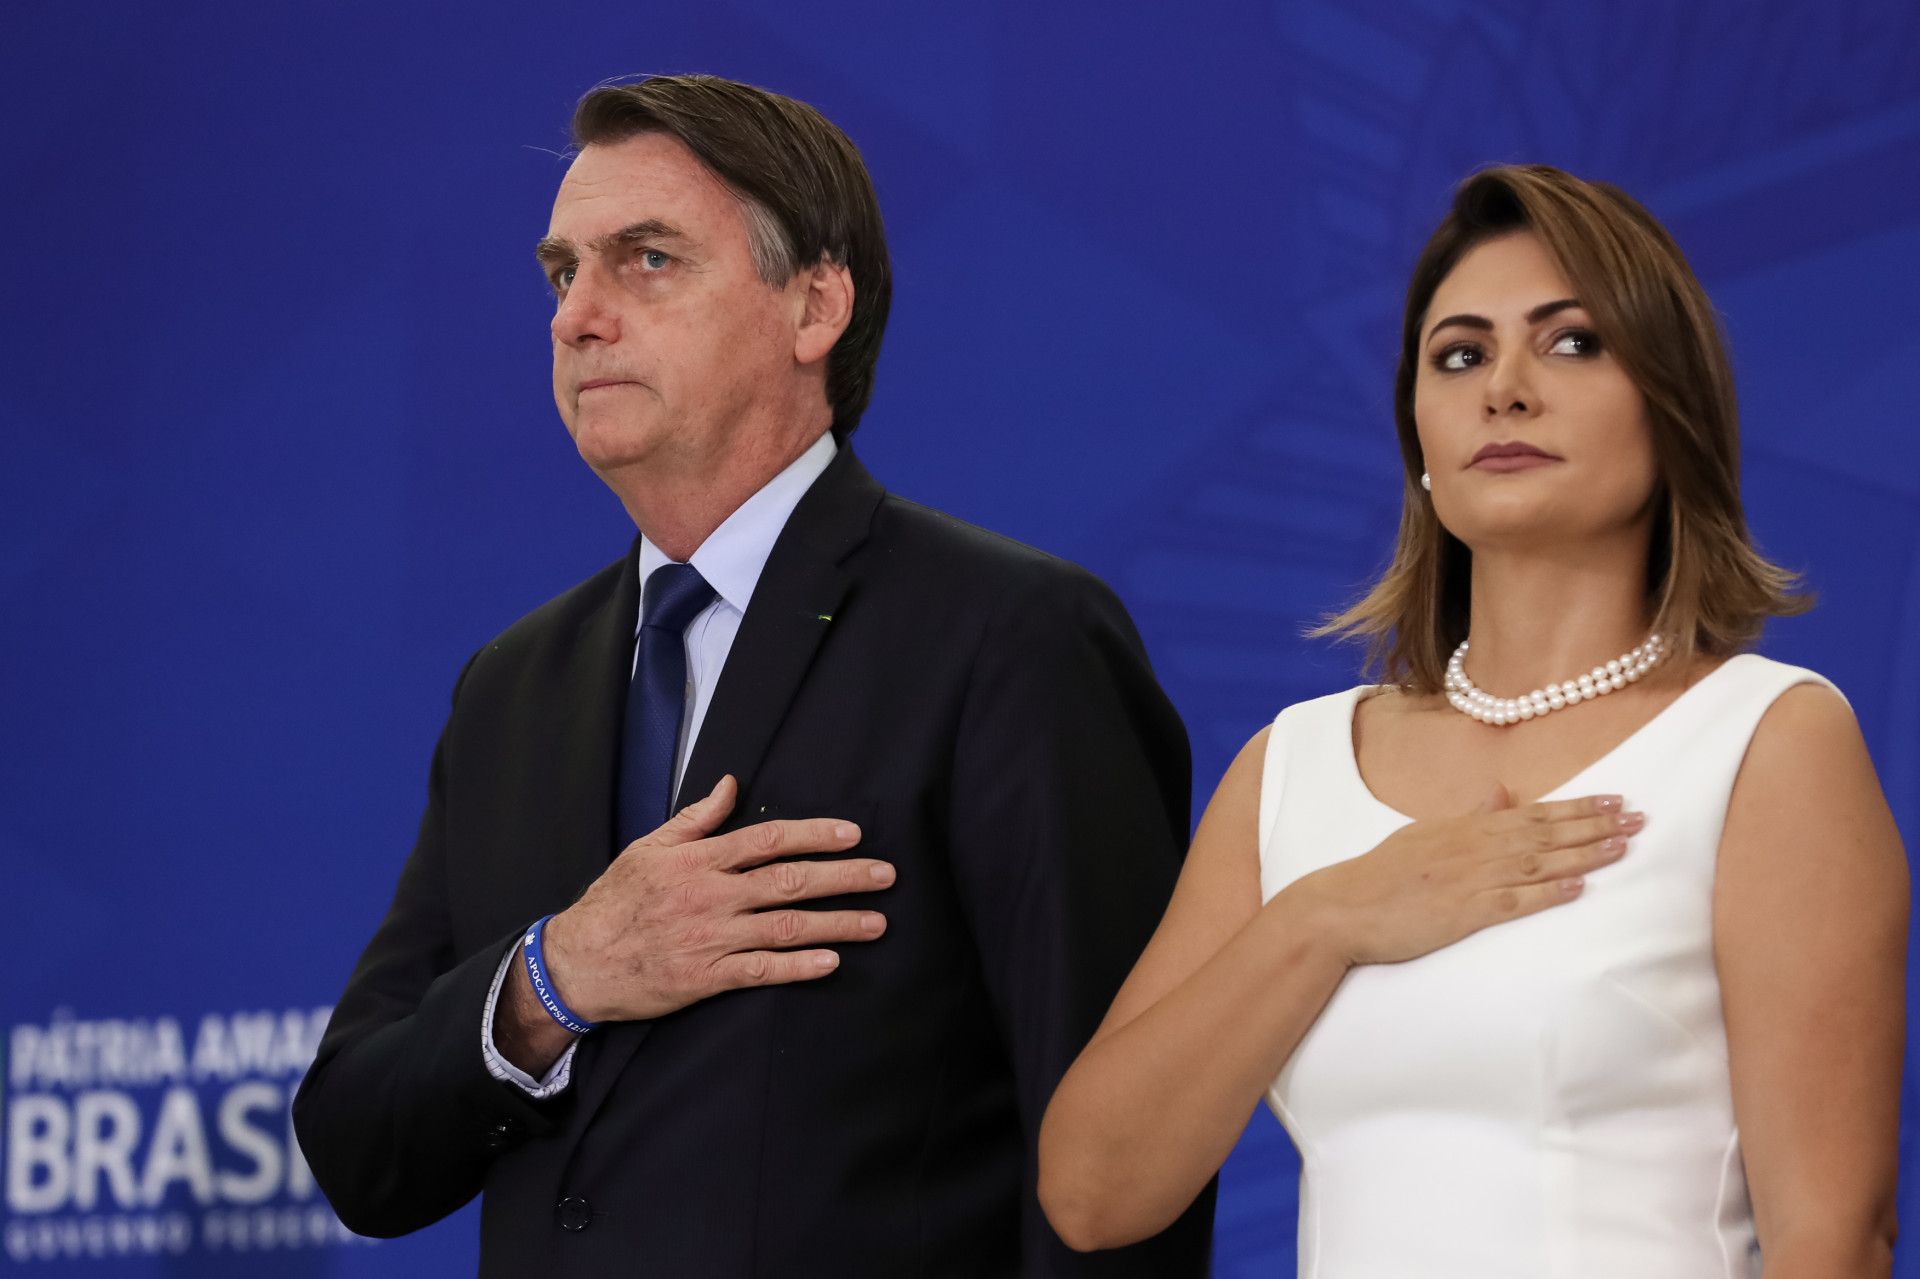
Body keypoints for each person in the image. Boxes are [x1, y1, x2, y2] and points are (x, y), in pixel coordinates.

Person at [291, 74, 1213, 1277]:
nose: (578, 317)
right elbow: (356, 1145)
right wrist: (556, 977)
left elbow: (1126, 1167)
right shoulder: (510, 687)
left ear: (815, 304)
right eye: (563, 272)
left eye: (648, 260)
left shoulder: (1008, 637)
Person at [1037, 164, 1907, 1278]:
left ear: (1673, 406)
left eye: (1573, 342)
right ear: (1417, 435)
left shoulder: (1767, 741)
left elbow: (1831, 1238)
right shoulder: (1292, 765)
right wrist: (1329, 914)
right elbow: (1094, 1194)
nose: (1505, 389)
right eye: (1460, 354)